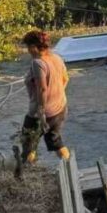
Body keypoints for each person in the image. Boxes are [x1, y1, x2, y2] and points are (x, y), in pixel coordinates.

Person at [15, 30, 70, 179]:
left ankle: (29, 174)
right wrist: (57, 94)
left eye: (28, 47)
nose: (27, 51)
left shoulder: (38, 63)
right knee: (55, 139)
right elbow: (65, 79)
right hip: (60, 108)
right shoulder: (57, 58)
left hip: (41, 113)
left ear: (34, 46)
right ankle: (70, 168)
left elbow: (42, 88)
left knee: (28, 142)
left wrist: (41, 109)